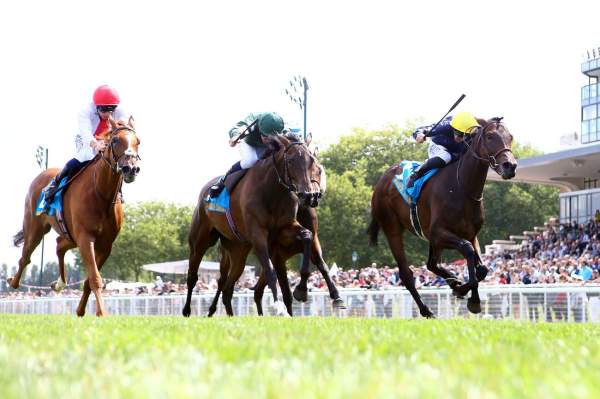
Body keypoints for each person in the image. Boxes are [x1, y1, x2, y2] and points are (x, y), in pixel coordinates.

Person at [44, 85, 130, 202]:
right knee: (84, 156)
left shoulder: (121, 111)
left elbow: (122, 132)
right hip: (86, 138)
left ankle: (118, 190)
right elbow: (86, 133)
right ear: (96, 107)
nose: (108, 114)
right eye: (103, 110)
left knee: (115, 158)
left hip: (107, 138)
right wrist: (95, 145)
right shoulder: (85, 112)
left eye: (111, 109)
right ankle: (54, 184)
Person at [209, 112, 285, 198]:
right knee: (250, 161)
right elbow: (238, 128)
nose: (268, 140)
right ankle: (222, 182)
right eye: (266, 137)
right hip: (249, 142)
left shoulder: (281, 127)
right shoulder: (252, 122)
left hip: (267, 146)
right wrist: (235, 136)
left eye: (271, 138)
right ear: (260, 129)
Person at [407, 111, 480, 188]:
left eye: (462, 135)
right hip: (438, 147)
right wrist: (418, 134)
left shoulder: (473, 132)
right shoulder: (446, 125)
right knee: (446, 156)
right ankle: (416, 173)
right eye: (457, 132)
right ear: (453, 127)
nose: (458, 137)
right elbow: (424, 129)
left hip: (456, 154)